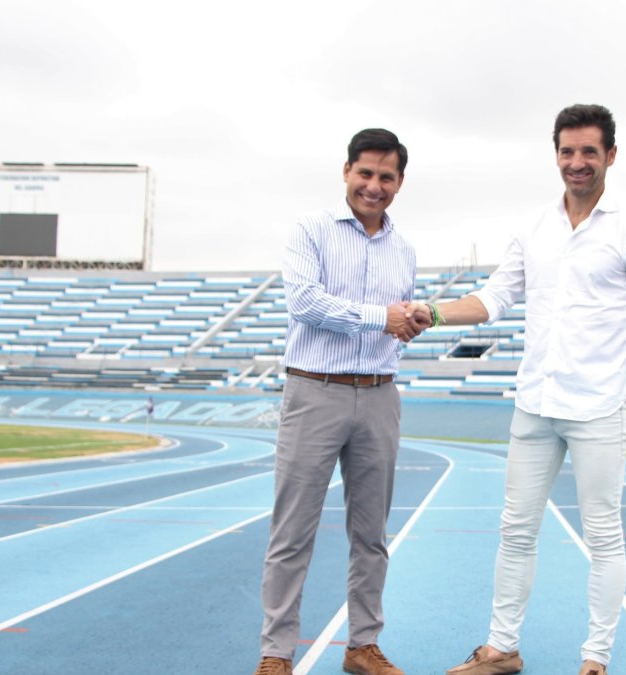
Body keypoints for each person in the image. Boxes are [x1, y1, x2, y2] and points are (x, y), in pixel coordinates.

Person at [415, 104, 626, 675]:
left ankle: (595, 659)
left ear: (610, 155)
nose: (576, 163)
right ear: (555, 155)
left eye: (589, 151)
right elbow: (491, 300)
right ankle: (502, 648)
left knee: (603, 534)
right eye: (567, 151)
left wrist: (612, 373)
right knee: (515, 530)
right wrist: (430, 311)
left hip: (599, 409)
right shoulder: (533, 229)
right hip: (535, 403)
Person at [255, 128, 424, 675]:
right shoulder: (311, 230)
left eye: (387, 177)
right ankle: (277, 653)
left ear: (400, 182)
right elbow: (306, 303)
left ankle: (363, 645)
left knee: (371, 535)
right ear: (346, 172)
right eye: (366, 174)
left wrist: (408, 324)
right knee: (292, 532)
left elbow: (394, 321)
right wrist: (383, 317)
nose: (374, 186)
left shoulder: (405, 249)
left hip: (379, 396)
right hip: (315, 390)